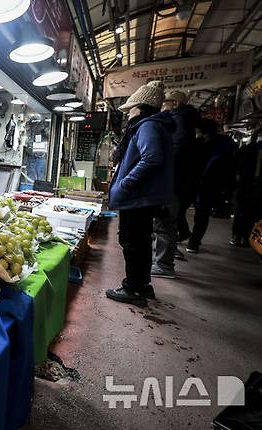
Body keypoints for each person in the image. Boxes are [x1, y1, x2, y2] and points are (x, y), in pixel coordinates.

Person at [106, 81, 175, 306]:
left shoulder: (147, 126)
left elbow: (152, 158)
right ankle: (142, 285)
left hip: (137, 197)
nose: (129, 114)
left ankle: (133, 288)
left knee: (132, 241)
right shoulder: (154, 125)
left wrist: (126, 183)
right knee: (141, 241)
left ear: (142, 107)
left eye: (132, 109)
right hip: (142, 197)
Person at [150, 90, 198, 278]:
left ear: (175, 104)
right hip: (178, 182)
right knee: (166, 221)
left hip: (172, 183)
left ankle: (164, 264)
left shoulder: (178, 121)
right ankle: (165, 258)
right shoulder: (183, 122)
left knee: (164, 221)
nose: (162, 105)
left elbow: (171, 155)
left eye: (165, 102)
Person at [186, 118, 237, 253]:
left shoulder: (220, 146)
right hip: (201, 184)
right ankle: (189, 237)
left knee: (201, 214)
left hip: (208, 185)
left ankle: (194, 241)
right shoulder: (220, 145)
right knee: (198, 213)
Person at [231, 129, 262, 246]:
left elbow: (236, 167)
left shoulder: (246, 149)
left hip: (244, 185)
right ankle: (245, 237)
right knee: (253, 214)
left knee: (241, 212)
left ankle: (238, 236)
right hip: (254, 187)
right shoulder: (247, 150)